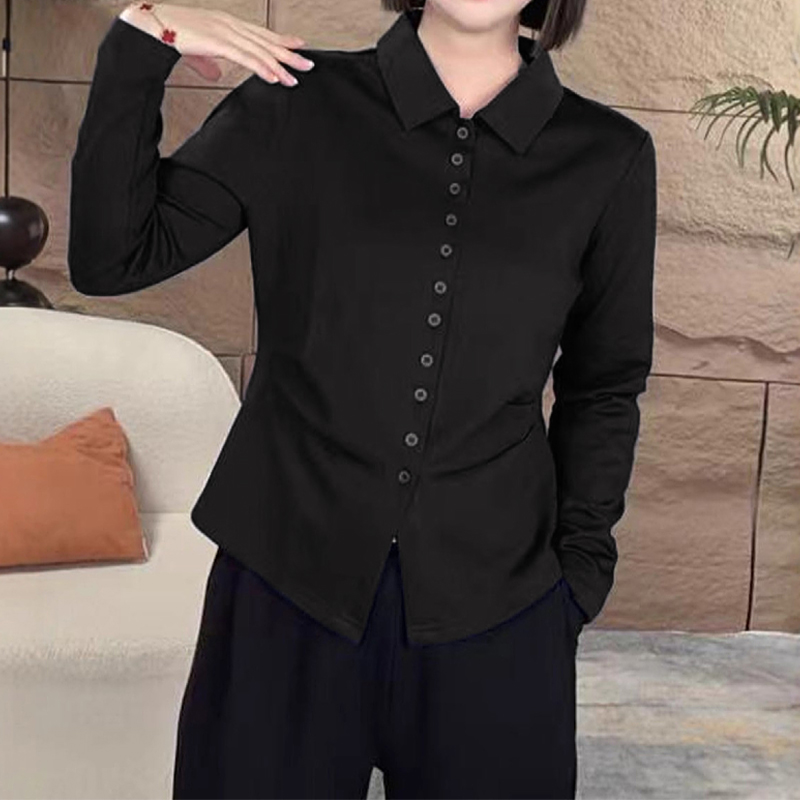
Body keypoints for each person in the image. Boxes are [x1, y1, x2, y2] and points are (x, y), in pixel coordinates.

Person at [68, 0, 657, 797]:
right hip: (282, 590)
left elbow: (604, 384)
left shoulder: (608, 157)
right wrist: (143, 42)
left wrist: (579, 580)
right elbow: (111, 256)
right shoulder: (296, 101)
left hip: (500, 607)